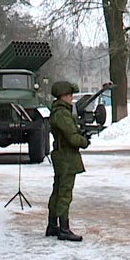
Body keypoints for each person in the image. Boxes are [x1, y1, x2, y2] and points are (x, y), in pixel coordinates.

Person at [46, 80, 90, 242]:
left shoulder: (59, 111)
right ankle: (63, 229)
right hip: (66, 157)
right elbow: (72, 137)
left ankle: (53, 225)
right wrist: (84, 141)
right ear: (63, 96)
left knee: (57, 191)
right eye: (70, 95)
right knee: (64, 193)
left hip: (61, 155)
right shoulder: (62, 114)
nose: (72, 98)